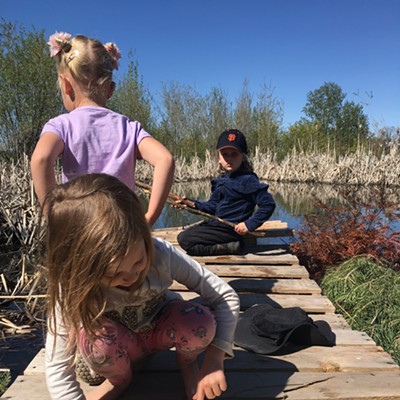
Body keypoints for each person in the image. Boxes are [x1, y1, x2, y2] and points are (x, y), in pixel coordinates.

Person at [43, 173, 240, 400]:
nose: (132, 276)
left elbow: (225, 296)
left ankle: (187, 363)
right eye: (114, 274)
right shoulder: (69, 284)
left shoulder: (161, 253)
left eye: (139, 261)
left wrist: (215, 359)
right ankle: (119, 381)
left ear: (145, 237)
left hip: (162, 330)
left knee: (200, 321)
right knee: (90, 342)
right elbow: (58, 369)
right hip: (118, 344)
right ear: (80, 268)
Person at [30, 31, 174, 226]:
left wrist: (53, 217)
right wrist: (148, 219)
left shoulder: (61, 125)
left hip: (82, 231)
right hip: (124, 230)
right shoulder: (129, 128)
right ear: (111, 89)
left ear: (66, 86)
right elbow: (165, 159)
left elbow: (40, 159)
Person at [177, 129, 276, 256]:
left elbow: (268, 204)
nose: (229, 159)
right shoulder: (221, 180)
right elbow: (212, 206)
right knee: (188, 235)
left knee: (184, 239)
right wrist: (192, 204)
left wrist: (249, 224)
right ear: (219, 158)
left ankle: (231, 246)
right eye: (225, 154)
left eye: (234, 154)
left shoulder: (248, 179)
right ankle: (230, 245)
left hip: (231, 228)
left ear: (243, 157)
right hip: (218, 225)